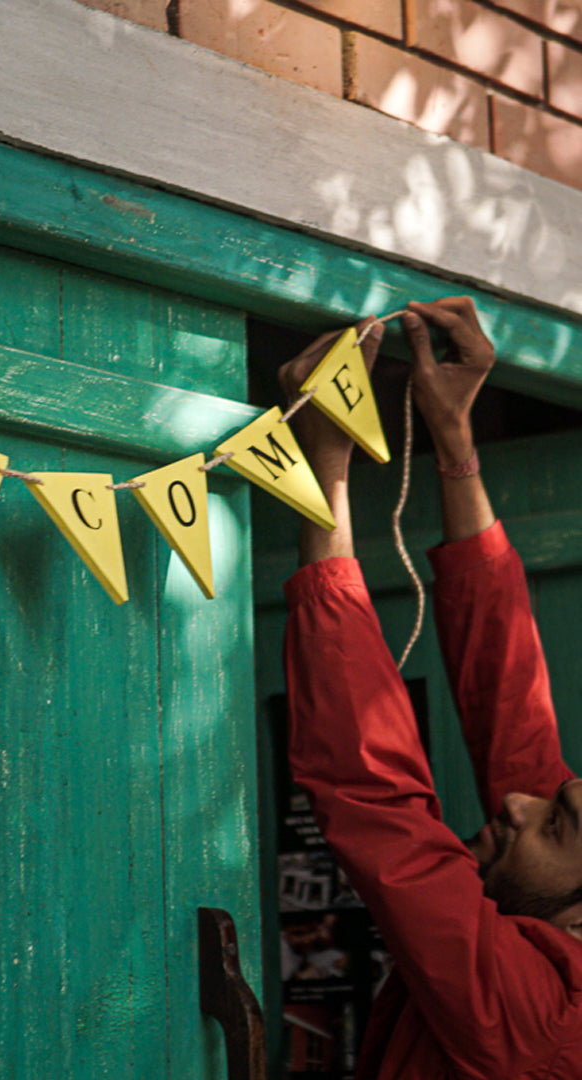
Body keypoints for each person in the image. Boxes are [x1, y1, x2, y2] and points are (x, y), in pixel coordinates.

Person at [279, 298, 582, 1079]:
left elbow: (374, 800)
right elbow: (509, 702)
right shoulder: (556, 946)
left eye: (556, 825)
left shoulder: (543, 1021)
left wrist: (325, 478)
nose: (520, 803)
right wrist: (453, 442)